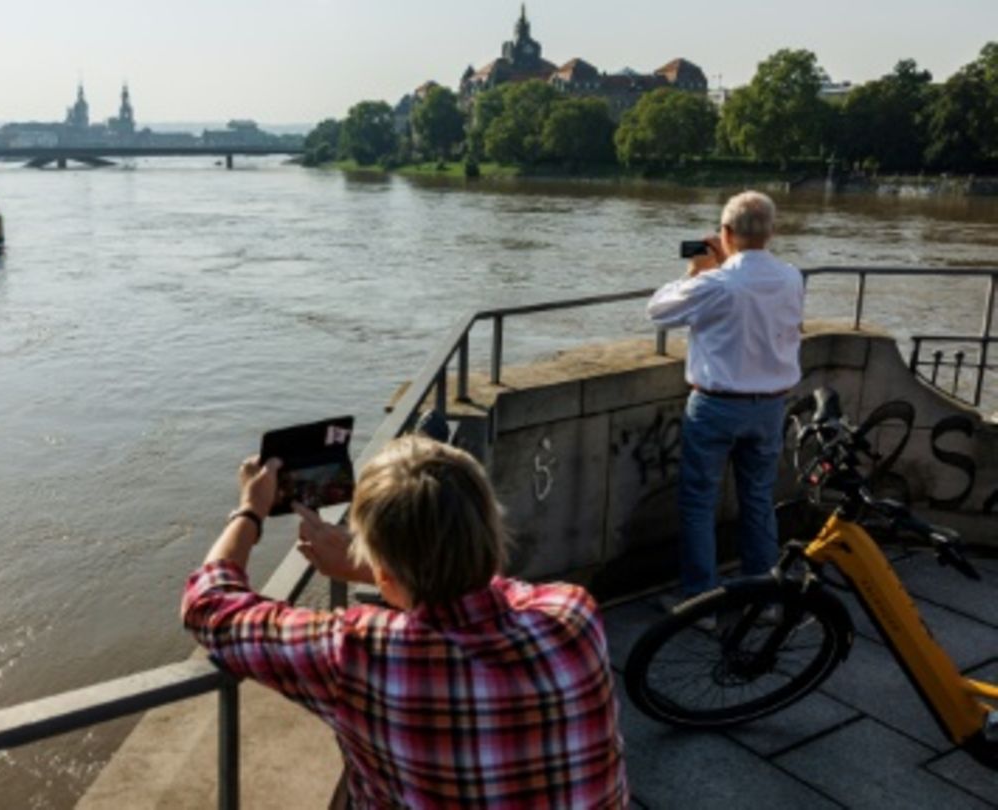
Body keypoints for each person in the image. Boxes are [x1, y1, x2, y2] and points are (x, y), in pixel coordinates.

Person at [181, 435, 628, 808]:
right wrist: (370, 567)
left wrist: (250, 510)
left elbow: (210, 604)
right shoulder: (573, 614)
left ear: (386, 573)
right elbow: (493, 588)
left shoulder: (358, 654)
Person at [647, 190, 805, 601]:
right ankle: (763, 597)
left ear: (726, 232)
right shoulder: (791, 277)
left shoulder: (719, 282)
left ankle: (702, 600)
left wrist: (696, 271)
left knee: (699, 503)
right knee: (757, 499)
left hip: (717, 405)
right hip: (770, 405)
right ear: (772, 231)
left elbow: (659, 312)